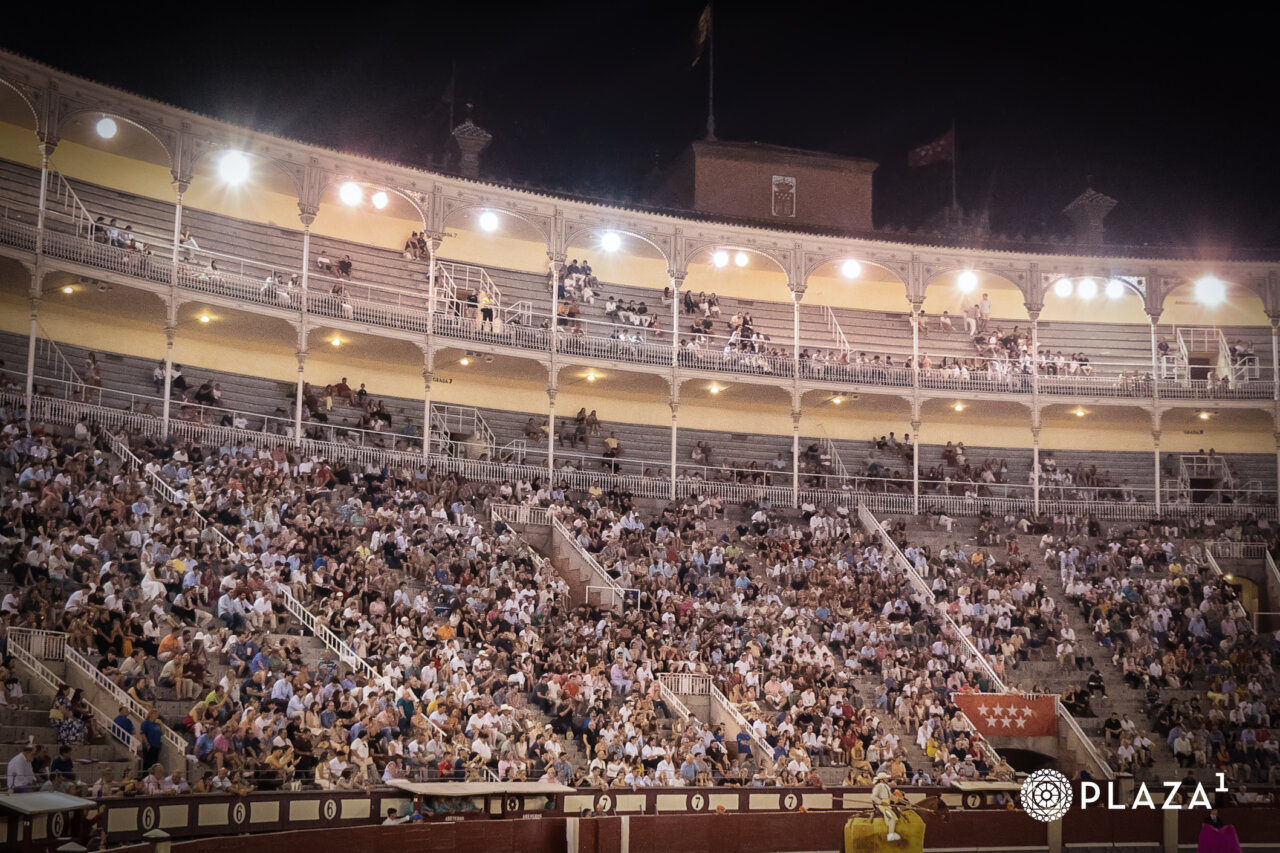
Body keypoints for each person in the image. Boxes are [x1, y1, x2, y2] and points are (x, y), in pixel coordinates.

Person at [871, 770, 905, 842]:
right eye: (886, 778)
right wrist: (880, 802)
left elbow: (890, 796)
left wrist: (898, 800)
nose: (887, 779)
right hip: (882, 806)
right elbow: (873, 797)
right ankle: (890, 835)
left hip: (887, 804)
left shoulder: (886, 786)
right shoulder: (878, 786)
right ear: (882, 779)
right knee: (891, 818)